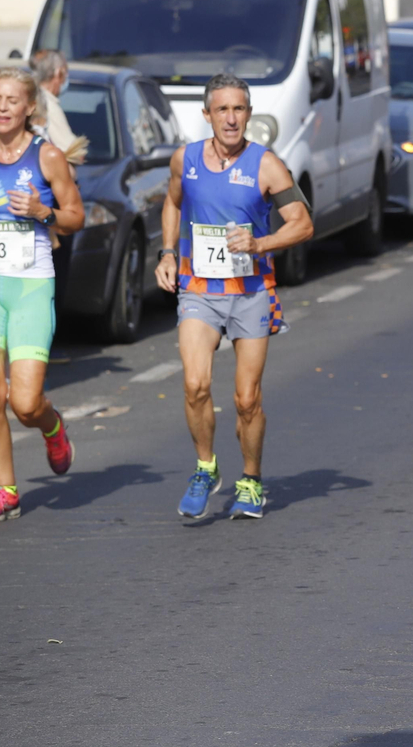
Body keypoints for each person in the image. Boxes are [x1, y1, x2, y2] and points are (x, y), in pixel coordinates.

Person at [157, 74, 314, 521]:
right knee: (194, 384)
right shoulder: (184, 160)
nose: (231, 118)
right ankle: (206, 469)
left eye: (239, 109)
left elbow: (302, 224)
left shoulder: (266, 165)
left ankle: (251, 479)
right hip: (199, 290)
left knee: (247, 399)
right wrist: (168, 252)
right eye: (222, 109)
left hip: (250, 292)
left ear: (249, 113)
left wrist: (259, 245)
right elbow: (172, 203)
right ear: (206, 115)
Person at [0, 67, 84, 522]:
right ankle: (5, 490)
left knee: (24, 402)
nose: (1, 107)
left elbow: (76, 216)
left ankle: (51, 427)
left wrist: (42, 211)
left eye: (12, 100)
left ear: (30, 107)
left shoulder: (48, 156)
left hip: (31, 285)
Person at [28, 50, 78, 155]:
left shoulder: (31, 96)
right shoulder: (48, 106)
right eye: (65, 73)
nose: (66, 78)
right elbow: (73, 152)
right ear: (57, 73)